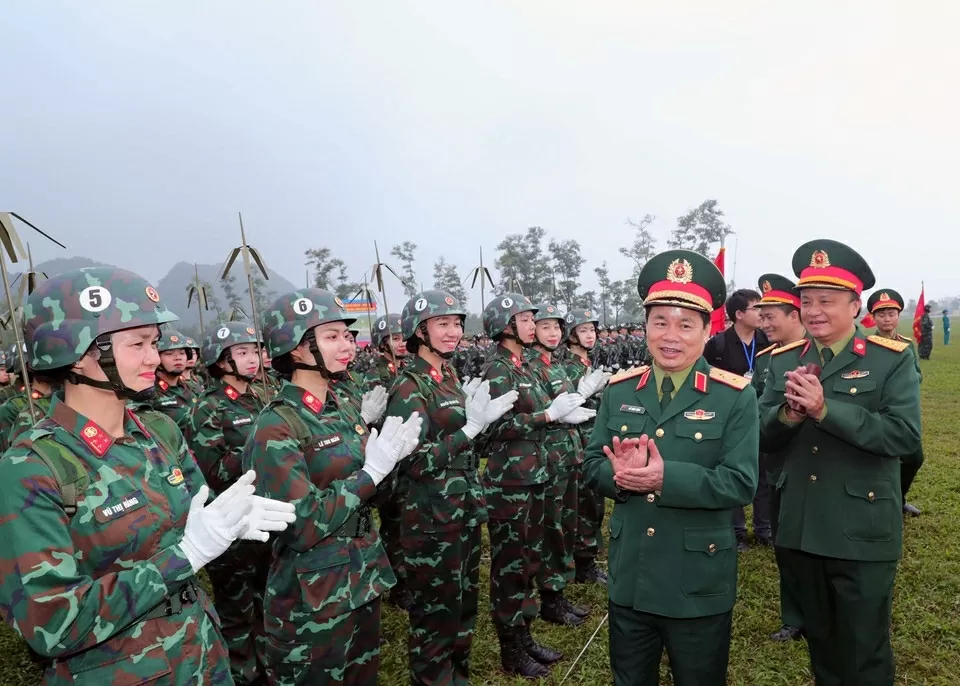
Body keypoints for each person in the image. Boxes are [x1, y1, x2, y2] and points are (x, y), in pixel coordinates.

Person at [0, 266, 295, 684]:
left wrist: (228, 522)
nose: (154, 358)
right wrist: (185, 556)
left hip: (201, 655)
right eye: (138, 344)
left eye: (154, 343)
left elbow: (199, 512)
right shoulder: (31, 468)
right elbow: (51, 624)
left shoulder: (158, 431)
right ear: (78, 352)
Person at [584, 249, 759, 686]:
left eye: (685, 324)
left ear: (706, 330)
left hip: (696, 582)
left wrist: (666, 478)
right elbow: (591, 465)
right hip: (632, 578)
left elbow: (740, 483)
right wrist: (619, 477)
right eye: (660, 321)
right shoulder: (618, 390)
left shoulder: (733, 396)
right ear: (645, 328)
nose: (670, 335)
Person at [759, 239, 921, 684]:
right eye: (806, 301)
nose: (813, 311)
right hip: (802, 524)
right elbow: (760, 434)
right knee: (824, 644)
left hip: (861, 528)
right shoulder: (785, 360)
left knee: (864, 648)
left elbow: (904, 436)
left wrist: (826, 410)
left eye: (826, 301)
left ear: (855, 307)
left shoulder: (891, 360)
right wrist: (789, 413)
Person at [241, 288, 422, 685]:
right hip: (313, 596)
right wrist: (370, 474)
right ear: (298, 350)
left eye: (346, 335)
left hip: (361, 575)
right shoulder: (277, 426)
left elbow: (373, 494)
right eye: (332, 336)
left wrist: (391, 464)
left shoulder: (340, 408)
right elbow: (300, 522)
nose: (348, 345)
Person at [385, 289, 517, 685]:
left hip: (461, 509)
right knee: (435, 614)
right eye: (442, 324)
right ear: (419, 331)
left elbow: (462, 444)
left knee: (462, 606)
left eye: (457, 323)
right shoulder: (409, 389)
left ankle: (456, 675)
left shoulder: (449, 376)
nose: (454, 331)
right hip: (430, 518)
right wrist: (469, 430)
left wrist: (480, 425)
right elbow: (414, 462)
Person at [480, 293, 585, 678]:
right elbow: (493, 430)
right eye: (523, 319)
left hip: (534, 473)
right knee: (509, 565)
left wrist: (561, 414)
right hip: (510, 480)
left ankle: (524, 634)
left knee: (527, 560)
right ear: (505, 326)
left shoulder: (522, 366)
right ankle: (511, 647)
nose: (531, 325)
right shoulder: (499, 370)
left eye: (530, 319)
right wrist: (546, 415)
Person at [185, 320, 270, 684]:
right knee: (238, 612)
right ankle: (242, 674)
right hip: (230, 524)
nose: (252, 359)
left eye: (254, 351)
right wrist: (257, 452)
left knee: (267, 604)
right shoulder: (209, 407)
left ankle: (269, 670)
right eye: (242, 352)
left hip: (263, 514)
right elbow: (211, 470)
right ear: (221, 361)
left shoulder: (264, 397)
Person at [529, 304, 600, 627]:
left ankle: (561, 587)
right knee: (552, 528)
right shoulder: (532, 367)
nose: (552, 333)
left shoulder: (553, 365)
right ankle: (550, 595)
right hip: (547, 457)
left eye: (556, 327)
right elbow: (538, 412)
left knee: (567, 523)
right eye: (545, 327)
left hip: (568, 452)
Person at [754, 273, 806, 643]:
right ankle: (795, 617)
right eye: (762, 315)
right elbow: (757, 410)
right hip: (780, 465)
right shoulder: (766, 360)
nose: (765, 322)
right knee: (786, 547)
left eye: (771, 315)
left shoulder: (822, 352)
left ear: (794, 314)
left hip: (821, 466)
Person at [703, 288, 771, 551]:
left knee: (763, 472)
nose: (762, 313)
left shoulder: (768, 341)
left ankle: (764, 529)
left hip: (762, 414)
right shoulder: (718, 345)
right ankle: (737, 531)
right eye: (756, 308)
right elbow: (705, 379)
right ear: (739, 314)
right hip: (729, 418)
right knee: (733, 471)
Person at [563, 308, 612, 584]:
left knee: (593, 502)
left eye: (592, 330)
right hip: (579, 442)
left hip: (592, 439)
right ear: (571, 335)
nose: (590, 335)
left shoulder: (585, 363)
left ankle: (585, 559)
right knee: (585, 503)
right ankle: (583, 564)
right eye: (583, 330)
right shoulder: (569, 367)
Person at [867, 289, 925, 517]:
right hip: (875, 410)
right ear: (874, 317)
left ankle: (899, 499)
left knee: (914, 457)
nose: (887, 319)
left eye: (891, 314)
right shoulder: (866, 344)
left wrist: (905, 381)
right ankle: (878, 505)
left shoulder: (907, 345)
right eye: (881, 315)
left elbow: (917, 374)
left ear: (898, 316)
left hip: (900, 409)